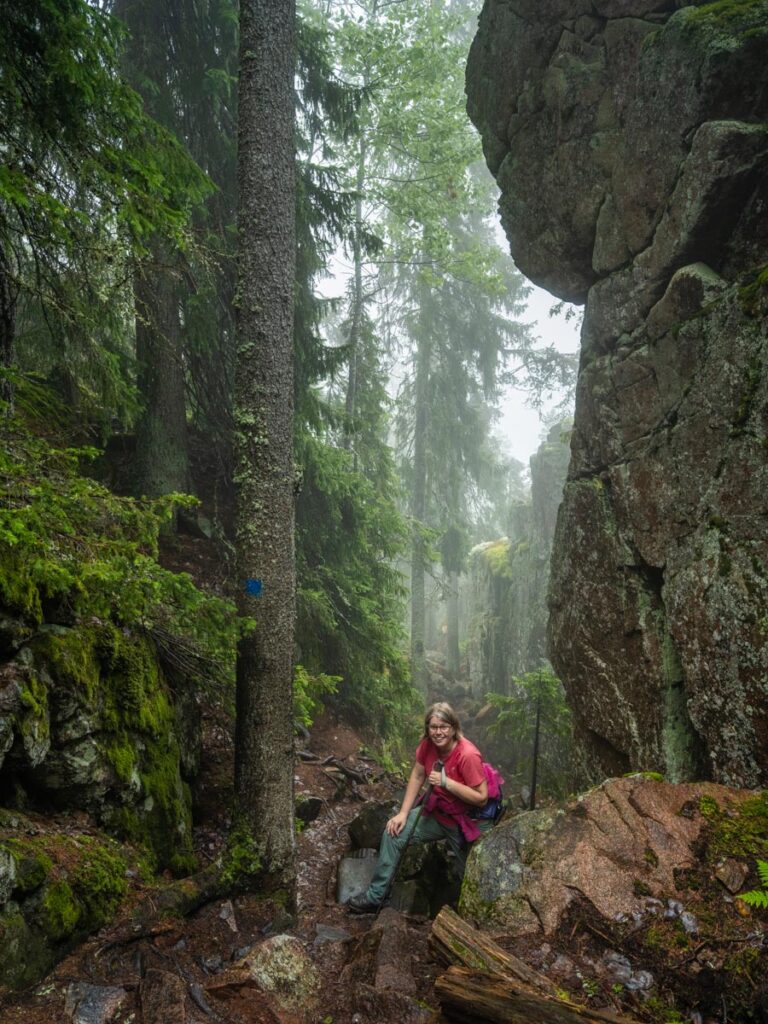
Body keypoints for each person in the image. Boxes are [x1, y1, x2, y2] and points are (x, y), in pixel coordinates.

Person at [347, 701, 492, 914]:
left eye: (444, 727)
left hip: (466, 821)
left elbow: (481, 798)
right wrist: (403, 814)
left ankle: (471, 917)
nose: (438, 732)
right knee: (393, 833)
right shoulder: (427, 746)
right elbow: (417, 774)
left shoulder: (467, 754)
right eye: (433, 727)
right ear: (427, 729)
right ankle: (376, 896)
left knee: (471, 874)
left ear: (453, 728)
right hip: (438, 814)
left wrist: (446, 782)